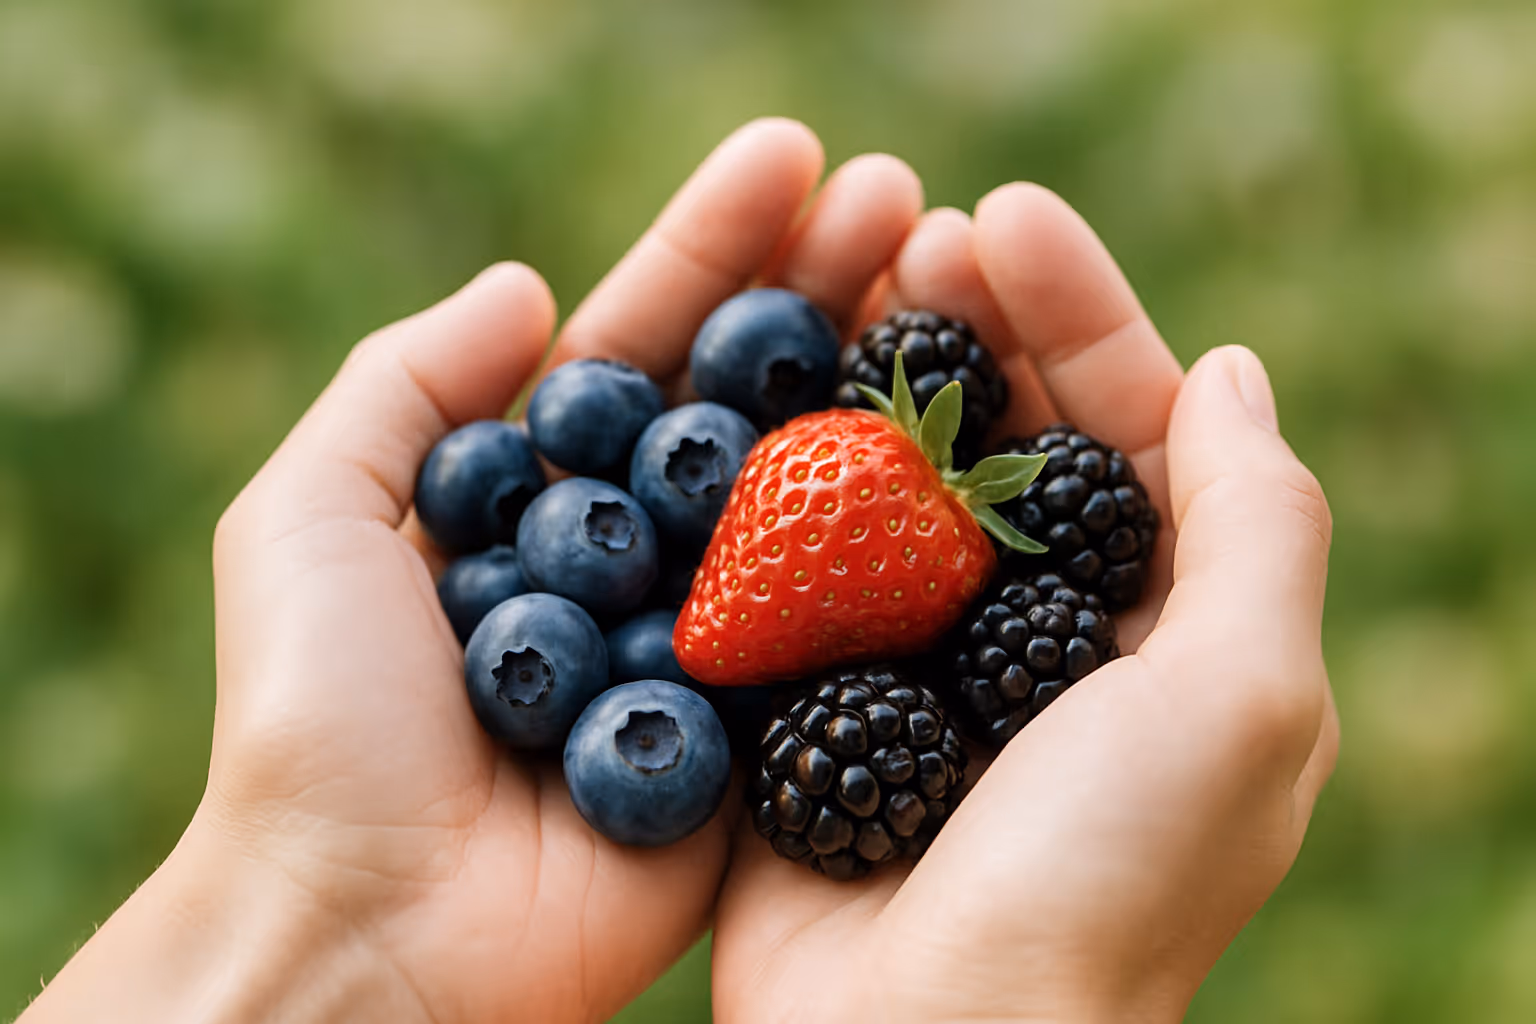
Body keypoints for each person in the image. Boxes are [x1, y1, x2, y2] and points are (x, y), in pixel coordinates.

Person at [20, 118, 1336, 1023]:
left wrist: (316, 930)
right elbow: (720, 622)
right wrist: (319, 895)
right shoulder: (599, 582)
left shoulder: (837, 527)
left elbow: (752, 619)